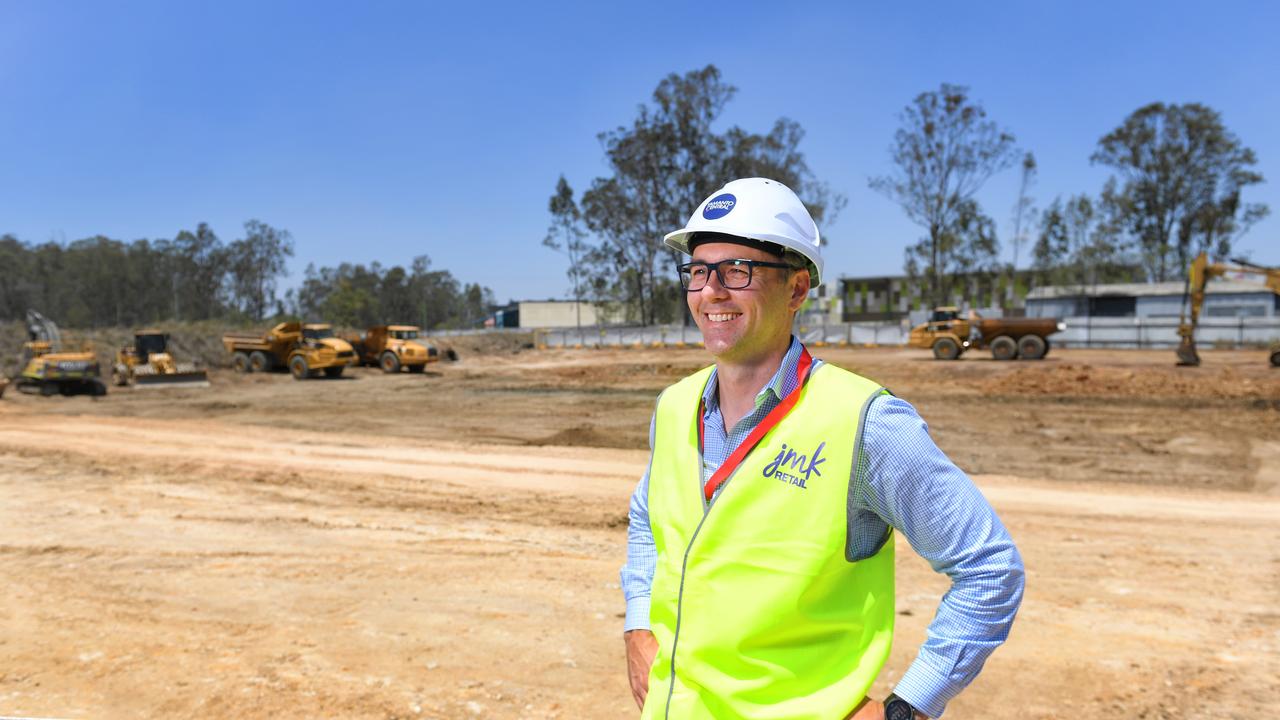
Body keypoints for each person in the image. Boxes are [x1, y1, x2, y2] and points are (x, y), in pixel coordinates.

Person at [621, 178, 1024, 720]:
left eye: (737, 269)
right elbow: (650, 519)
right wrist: (638, 624)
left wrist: (909, 708)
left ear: (796, 289)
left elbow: (990, 567)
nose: (711, 291)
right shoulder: (673, 407)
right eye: (698, 270)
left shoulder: (866, 423)